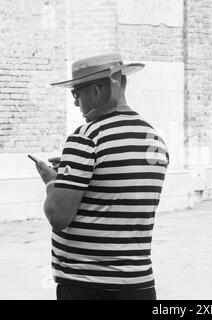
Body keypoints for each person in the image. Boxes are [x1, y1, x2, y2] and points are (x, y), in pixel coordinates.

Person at [34, 53, 169, 300]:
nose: (76, 103)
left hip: (88, 284)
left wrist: (52, 181)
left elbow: (59, 216)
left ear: (95, 91)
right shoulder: (154, 139)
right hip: (139, 284)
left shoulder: (86, 137)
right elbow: (116, 188)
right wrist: (72, 172)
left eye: (77, 94)